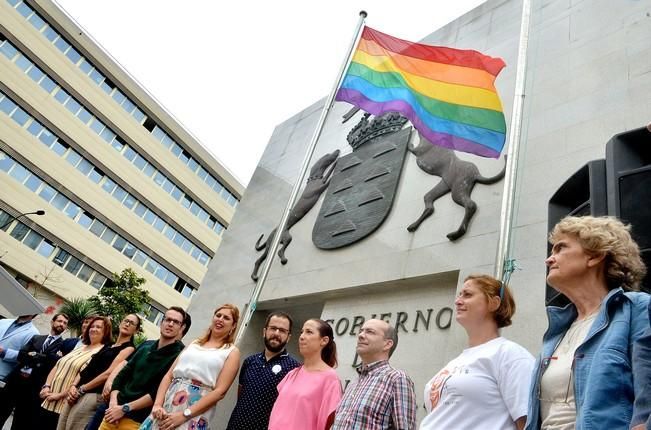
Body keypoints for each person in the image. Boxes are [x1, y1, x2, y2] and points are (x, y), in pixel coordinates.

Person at [525, 216, 648, 430]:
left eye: (560, 248)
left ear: (595, 256)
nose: (549, 259)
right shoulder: (556, 332)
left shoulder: (637, 309)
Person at [421, 274, 534, 430]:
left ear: (494, 303)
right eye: (459, 295)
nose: (458, 301)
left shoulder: (510, 355)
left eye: (467, 295)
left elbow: (528, 423)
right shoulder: (456, 362)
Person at [141, 304, 240, 430]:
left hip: (194, 410)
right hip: (166, 404)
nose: (220, 319)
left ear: (234, 325)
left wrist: (184, 415)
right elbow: (168, 376)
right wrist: (157, 404)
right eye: (218, 315)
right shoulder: (194, 344)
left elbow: (220, 392)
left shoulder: (231, 352)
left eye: (226, 318)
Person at [99, 307, 187, 430]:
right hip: (112, 413)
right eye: (168, 320)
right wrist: (113, 403)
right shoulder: (146, 347)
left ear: (181, 328)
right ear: (161, 322)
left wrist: (124, 409)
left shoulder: (179, 356)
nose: (170, 324)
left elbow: (157, 392)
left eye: (176, 322)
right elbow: (121, 376)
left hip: (136, 420)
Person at [56, 314, 140, 430]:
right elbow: (87, 368)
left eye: (131, 323)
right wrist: (73, 386)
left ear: (136, 330)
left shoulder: (129, 349)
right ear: (120, 322)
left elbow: (108, 373)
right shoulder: (108, 345)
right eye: (126, 321)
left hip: (93, 394)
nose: (127, 324)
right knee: (61, 426)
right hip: (78, 391)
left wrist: (82, 389)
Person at [332, 318, 416, 430]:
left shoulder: (397, 379)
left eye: (370, 332)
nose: (361, 335)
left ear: (387, 344)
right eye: (361, 331)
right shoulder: (354, 382)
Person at [227, 311, 300, 430]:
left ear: (288, 337)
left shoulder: (294, 369)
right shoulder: (249, 361)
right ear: (264, 331)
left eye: (282, 330)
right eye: (273, 328)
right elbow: (241, 396)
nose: (276, 333)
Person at [268, 318, 342, 430]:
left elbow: (329, 423)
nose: (302, 336)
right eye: (302, 332)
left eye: (309, 332)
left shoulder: (330, 379)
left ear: (324, 341)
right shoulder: (292, 374)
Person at [40, 316, 111, 429]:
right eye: (92, 326)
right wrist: (46, 386)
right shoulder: (81, 347)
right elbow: (57, 365)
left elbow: (81, 378)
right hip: (48, 398)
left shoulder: (101, 352)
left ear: (106, 331)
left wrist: (58, 395)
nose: (93, 329)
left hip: (64, 403)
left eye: (98, 327)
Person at [0, 312, 69, 429]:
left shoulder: (63, 346)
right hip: (16, 381)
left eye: (64, 323)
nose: (61, 324)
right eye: (59, 321)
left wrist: (34, 355)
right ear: (52, 322)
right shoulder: (36, 338)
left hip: (34, 389)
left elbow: (52, 363)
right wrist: (40, 357)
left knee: (20, 422)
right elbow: (22, 355)